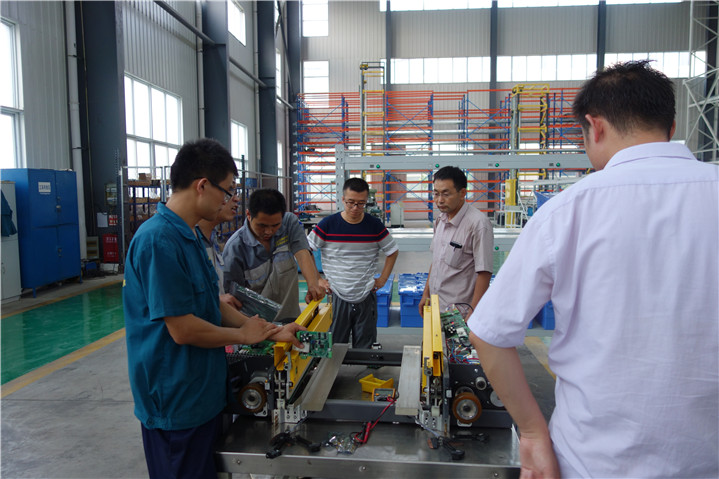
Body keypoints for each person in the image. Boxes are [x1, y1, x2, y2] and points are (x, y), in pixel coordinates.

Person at [467, 61, 719, 478]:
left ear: (594, 127)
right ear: (671, 127)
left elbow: (489, 333)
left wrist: (532, 433)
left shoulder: (567, 211)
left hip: (596, 462)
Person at [123, 138, 304, 479]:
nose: (229, 199)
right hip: (176, 398)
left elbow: (211, 306)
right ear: (202, 185)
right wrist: (243, 335)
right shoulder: (158, 241)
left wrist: (270, 331)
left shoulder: (190, 237)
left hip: (202, 390)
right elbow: (183, 329)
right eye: (228, 190)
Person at [307, 177, 398, 348]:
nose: (355, 208)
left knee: (365, 344)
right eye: (351, 203)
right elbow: (307, 250)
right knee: (335, 345)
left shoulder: (374, 225)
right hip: (337, 294)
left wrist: (383, 279)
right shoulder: (328, 224)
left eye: (361, 203)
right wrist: (317, 279)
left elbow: (392, 251)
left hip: (365, 294)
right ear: (343, 200)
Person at [222, 188, 324, 322]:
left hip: (291, 319)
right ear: (248, 215)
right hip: (256, 325)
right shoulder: (235, 249)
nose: (269, 231)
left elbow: (302, 253)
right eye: (262, 226)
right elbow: (233, 300)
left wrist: (312, 284)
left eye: (275, 225)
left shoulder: (289, 223)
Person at [419, 166, 493, 317]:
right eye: (436, 194)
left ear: (462, 193)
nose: (439, 200)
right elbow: (437, 261)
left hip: (460, 314)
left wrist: (473, 313)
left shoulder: (478, 224)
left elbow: (484, 272)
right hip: (436, 307)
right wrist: (426, 294)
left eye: (446, 194)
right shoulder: (440, 220)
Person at [197, 191, 243, 310]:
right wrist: (216, 301)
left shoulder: (212, 239)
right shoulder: (184, 241)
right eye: (229, 191)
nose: (236, 199)